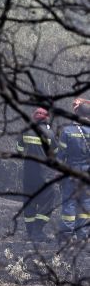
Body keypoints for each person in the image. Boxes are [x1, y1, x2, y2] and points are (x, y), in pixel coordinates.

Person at [16, 108, 57, 242]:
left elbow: (19, 149)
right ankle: (37, 231)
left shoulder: (26, 131)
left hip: (29, 174)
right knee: (48, 201)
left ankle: (30, 232)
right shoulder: (50, 134)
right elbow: (55, 153)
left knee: (29, 202)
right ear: (46, 119)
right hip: (44, 175)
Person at [58, 98, 90, 241]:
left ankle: (67, 235)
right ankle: (83, 234)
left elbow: (60, 156)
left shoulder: (67, 131)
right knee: (86, 203)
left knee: (69, 203)